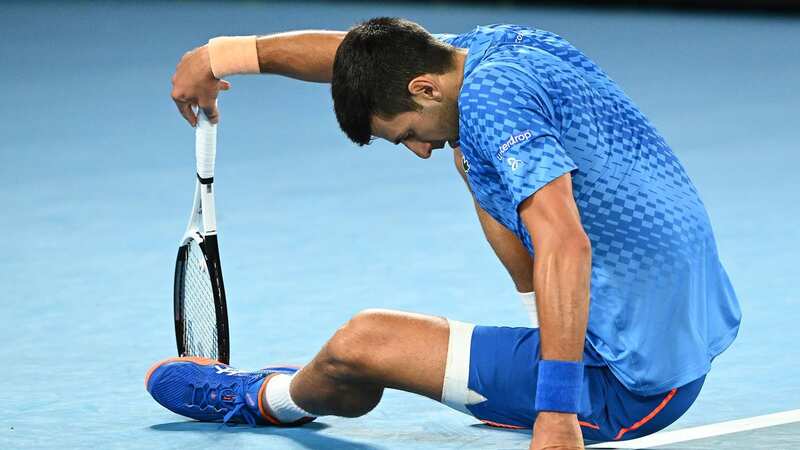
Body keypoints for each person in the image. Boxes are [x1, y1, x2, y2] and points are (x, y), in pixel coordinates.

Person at [159, 18, 741, 450]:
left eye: (407, 132)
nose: (417, 150)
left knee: (357, 345)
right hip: (689, 320)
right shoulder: (490, 50)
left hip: (630, 379)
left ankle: (265, 399)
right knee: (472, 157)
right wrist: (218, 57)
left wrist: (557, 411)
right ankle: (544, 335)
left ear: (424, 90)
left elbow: (566, 242)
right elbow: (355, 54)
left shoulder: (489, 108)